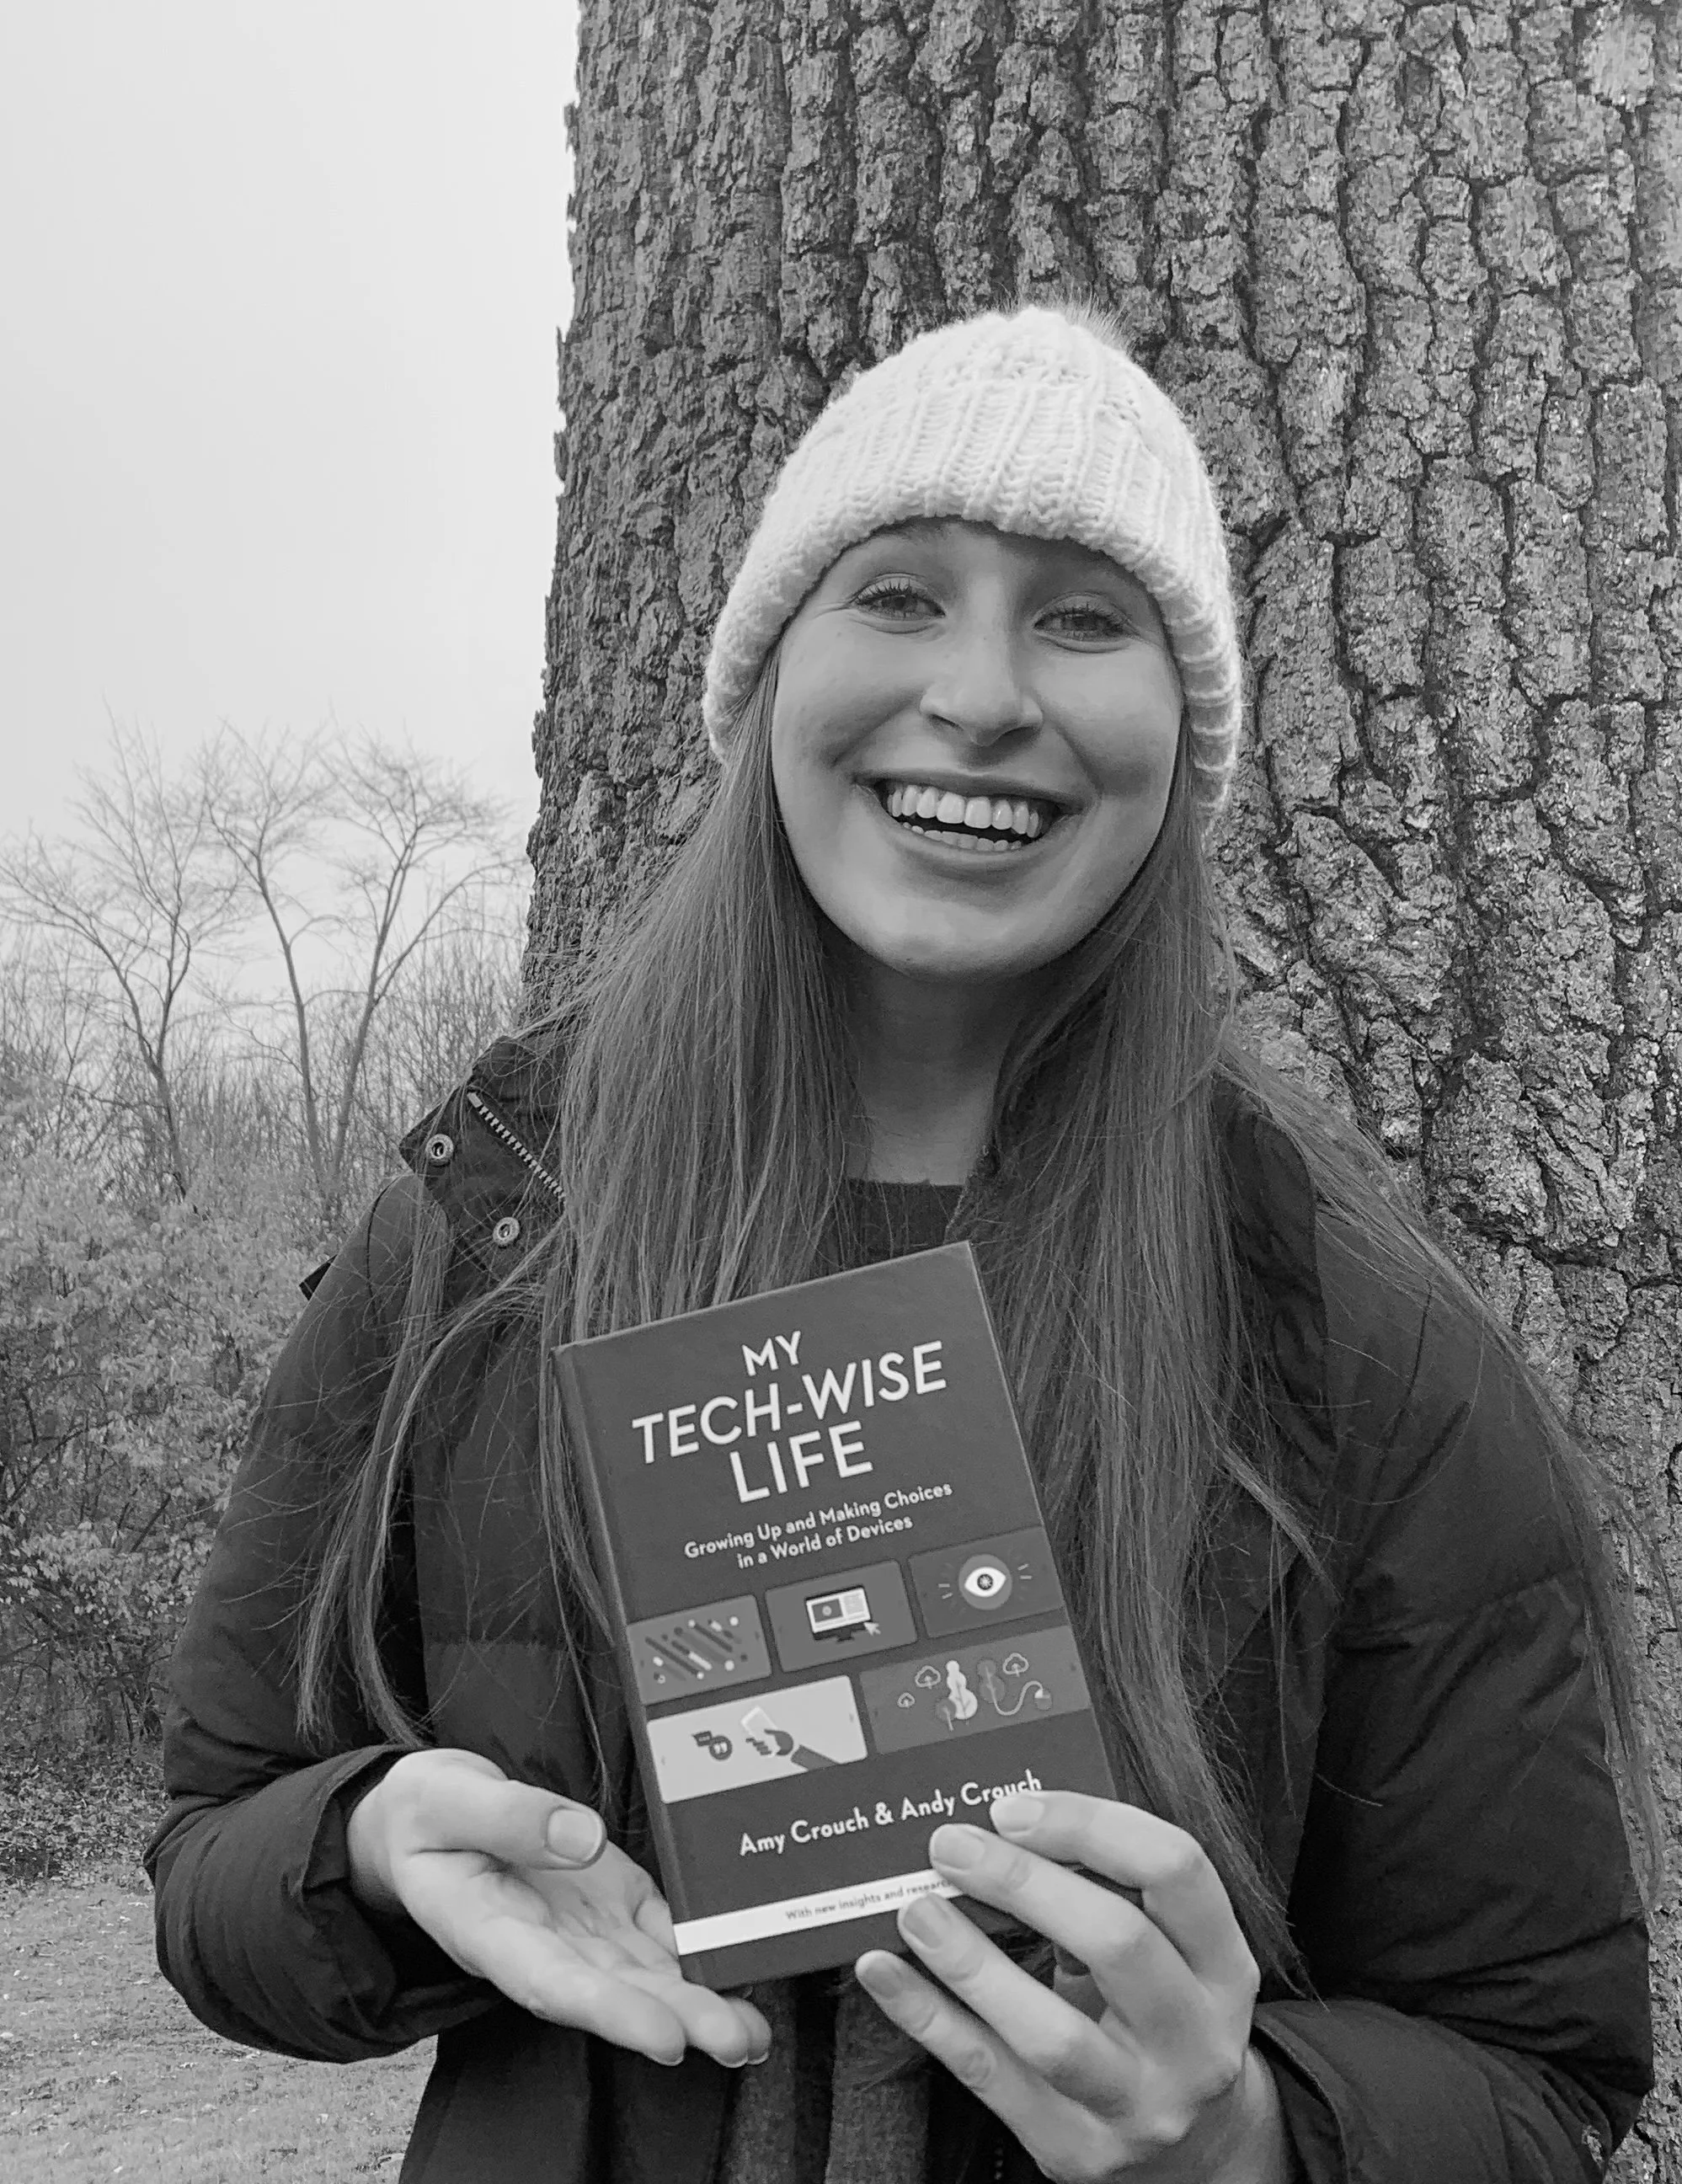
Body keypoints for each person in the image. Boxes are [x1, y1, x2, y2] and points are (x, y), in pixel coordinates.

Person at [147, 302, 1656, 2184]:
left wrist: (1245, 2136)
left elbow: (1541, 2076)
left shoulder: (1352, 1329)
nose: (986, 693)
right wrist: (371, 1850)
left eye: (1088, 618)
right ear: (771, 674)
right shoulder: (492, 1233)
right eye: (900, 594)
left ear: (1182, 739)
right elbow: (215, 1847)